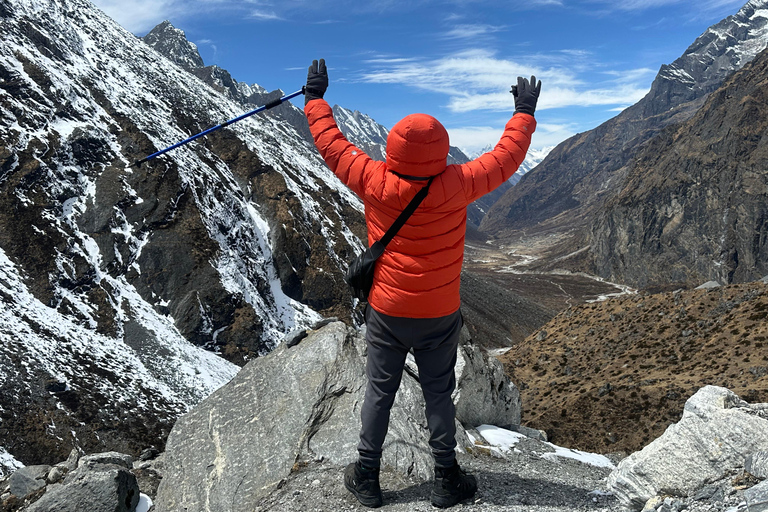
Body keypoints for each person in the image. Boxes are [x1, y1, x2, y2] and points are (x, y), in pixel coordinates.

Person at [303, 58, 540, 509]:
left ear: (392, 148)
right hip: (439, 313)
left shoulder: (373, 179)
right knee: (437, 393)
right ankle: (447, 479)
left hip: (387, 311)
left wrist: (315, 100)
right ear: (443, 149)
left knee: (379, 392)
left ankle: (368, 477)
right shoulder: (460, 182)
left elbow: (332, 145)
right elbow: (506, 157)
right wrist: (523, 113)